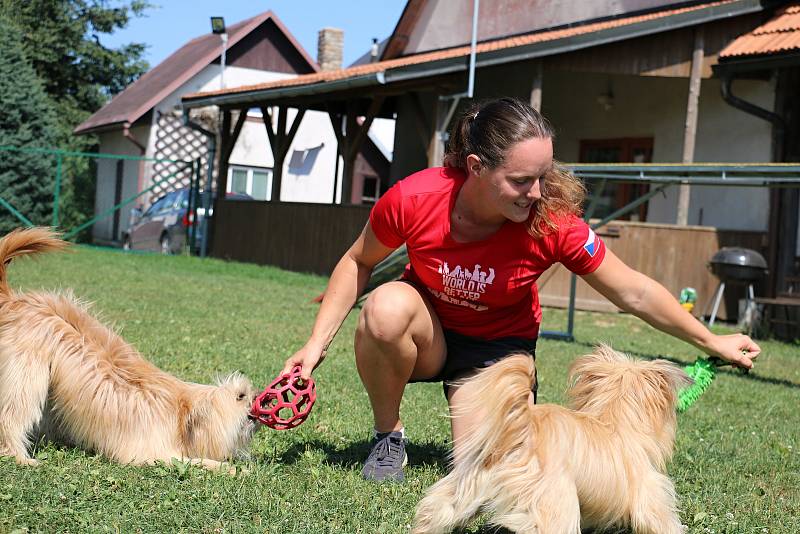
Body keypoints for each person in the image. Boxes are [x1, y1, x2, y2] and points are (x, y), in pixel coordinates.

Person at [282, 97, 761, 482]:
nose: (535, 192)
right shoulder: (414, 198)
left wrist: (711, 340)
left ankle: (486, 423)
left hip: (497, 352)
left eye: (543, 176)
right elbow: (357, 260)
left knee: (495, 471)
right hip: (430, 332)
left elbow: (632, 292)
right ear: (475, 166)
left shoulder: (551, 221)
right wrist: (313, 345)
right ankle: (388, 438)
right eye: (520, 180)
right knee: (385, 309)